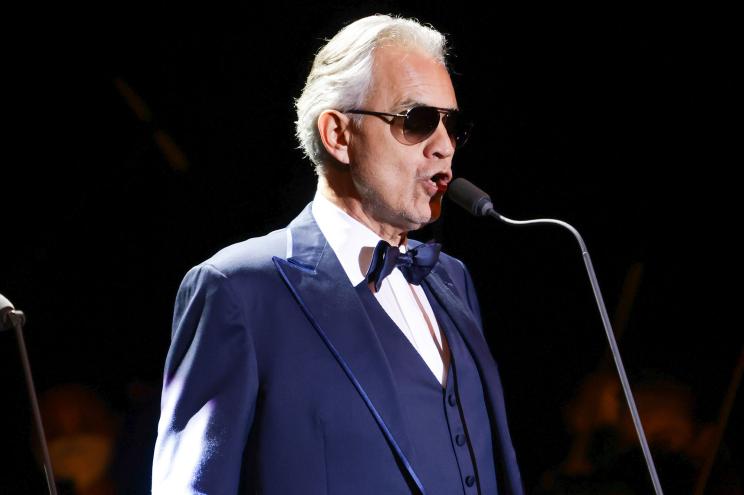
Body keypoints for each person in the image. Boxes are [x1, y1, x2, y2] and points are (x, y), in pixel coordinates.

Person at [152, 14, 523, 495]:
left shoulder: (452, 280)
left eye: (452, 125)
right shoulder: (238, 289)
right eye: (417, 121)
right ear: (338, 135)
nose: (444, 147)